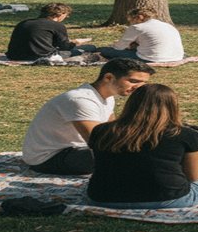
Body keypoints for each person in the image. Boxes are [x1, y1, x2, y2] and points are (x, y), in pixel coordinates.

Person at [86, 84, 198, 208]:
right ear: (172, 107)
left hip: (102, 197)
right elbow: (195, 177)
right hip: (168, 198)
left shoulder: (101, 130)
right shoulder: (182, 134)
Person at [21, 58, 155, 175]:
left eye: (143, 83)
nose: (139, 87)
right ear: (108, 77)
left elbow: (113, 131)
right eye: (133, 81)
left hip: (75, 150)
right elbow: (97, 142)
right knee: (130, 158)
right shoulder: (81, 100)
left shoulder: (108, 97)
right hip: (49, 158)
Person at [6, 3, 96, 61]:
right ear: (60, 14)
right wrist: (75, 42)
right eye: (66, 15)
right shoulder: (57, 25)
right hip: (40, 57)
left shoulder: (24, 22)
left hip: (14, 55)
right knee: (88, 48)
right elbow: (65, 47)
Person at [99, 7, 185, 63]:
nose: (130, 23)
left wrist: (114, 45)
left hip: (152, 58)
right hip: (176, 57)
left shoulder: (137, 27)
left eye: (131, 20)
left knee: (106, 50)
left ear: (139, 17)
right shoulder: (167, 25)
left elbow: (119, 47)